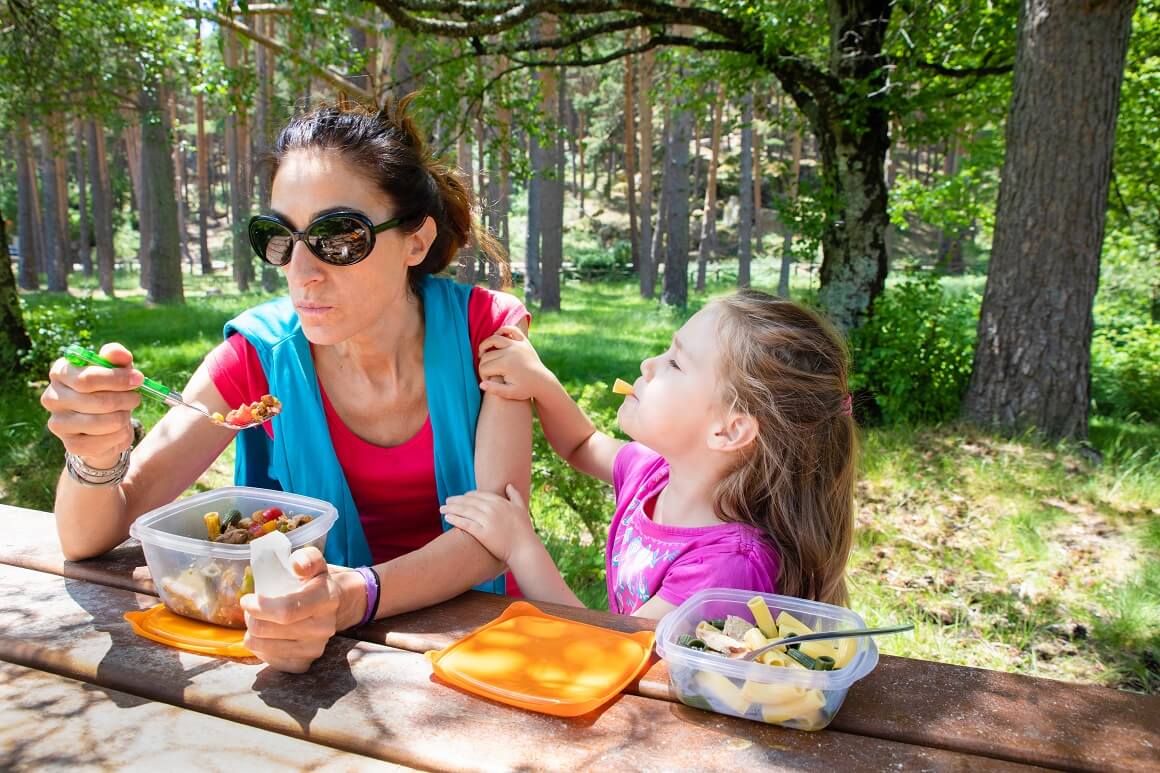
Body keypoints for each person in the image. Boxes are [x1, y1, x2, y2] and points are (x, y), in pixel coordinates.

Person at [40, 98, 533, 671]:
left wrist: (354, 595)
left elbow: (493, 537)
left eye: (340, 236)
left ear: (415, 242)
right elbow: (90, 538)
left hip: (475, 635)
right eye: (280, 237)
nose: (301, 271)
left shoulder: (487, 335)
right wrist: (94, 456)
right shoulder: (257, 356)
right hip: (309, 637)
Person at [440, 290, 857, 619]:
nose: (648, 364)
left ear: (729, 429)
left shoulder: (728, 568)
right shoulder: (654, 474)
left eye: (676, 363)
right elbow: (582, 445)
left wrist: (522, 548)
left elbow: (615, 652)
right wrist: (542, 384)